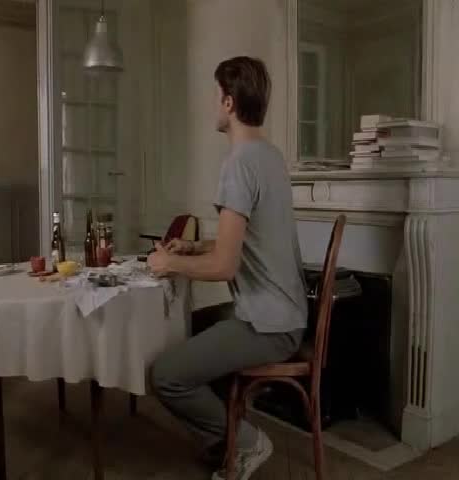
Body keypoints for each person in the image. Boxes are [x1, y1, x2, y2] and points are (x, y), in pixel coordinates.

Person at [148, 56, 308, 480]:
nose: (214, 104)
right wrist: (192, 246)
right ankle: (225, 443)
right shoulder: (269, 156)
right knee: (192, 329)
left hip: (270, 324)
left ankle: (248, 442)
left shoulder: (239, 164)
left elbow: (224, 265)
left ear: (229, 102)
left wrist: (169, 261)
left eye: (216, 95)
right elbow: (247, 241)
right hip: (286, 312)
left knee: (165, 375)